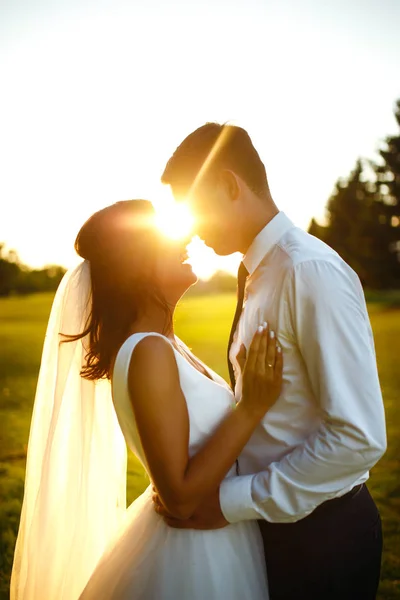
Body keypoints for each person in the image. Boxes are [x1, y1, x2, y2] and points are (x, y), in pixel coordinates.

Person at [155, 123, 388, 600]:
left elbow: (359, 437)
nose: (191, 230)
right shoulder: (256, 273)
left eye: (193, 210)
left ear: (228, 185)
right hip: (275, 530)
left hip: (323, 539)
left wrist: (233, 502)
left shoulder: (308, 270)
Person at [11, 199, 282, 600]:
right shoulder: (148, 352)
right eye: (162, 237)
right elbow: (179, 497)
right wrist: (252, 407)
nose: (186, 237)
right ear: (135, 264)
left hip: (220, 538)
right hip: (193, 556)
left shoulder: (166, 346)